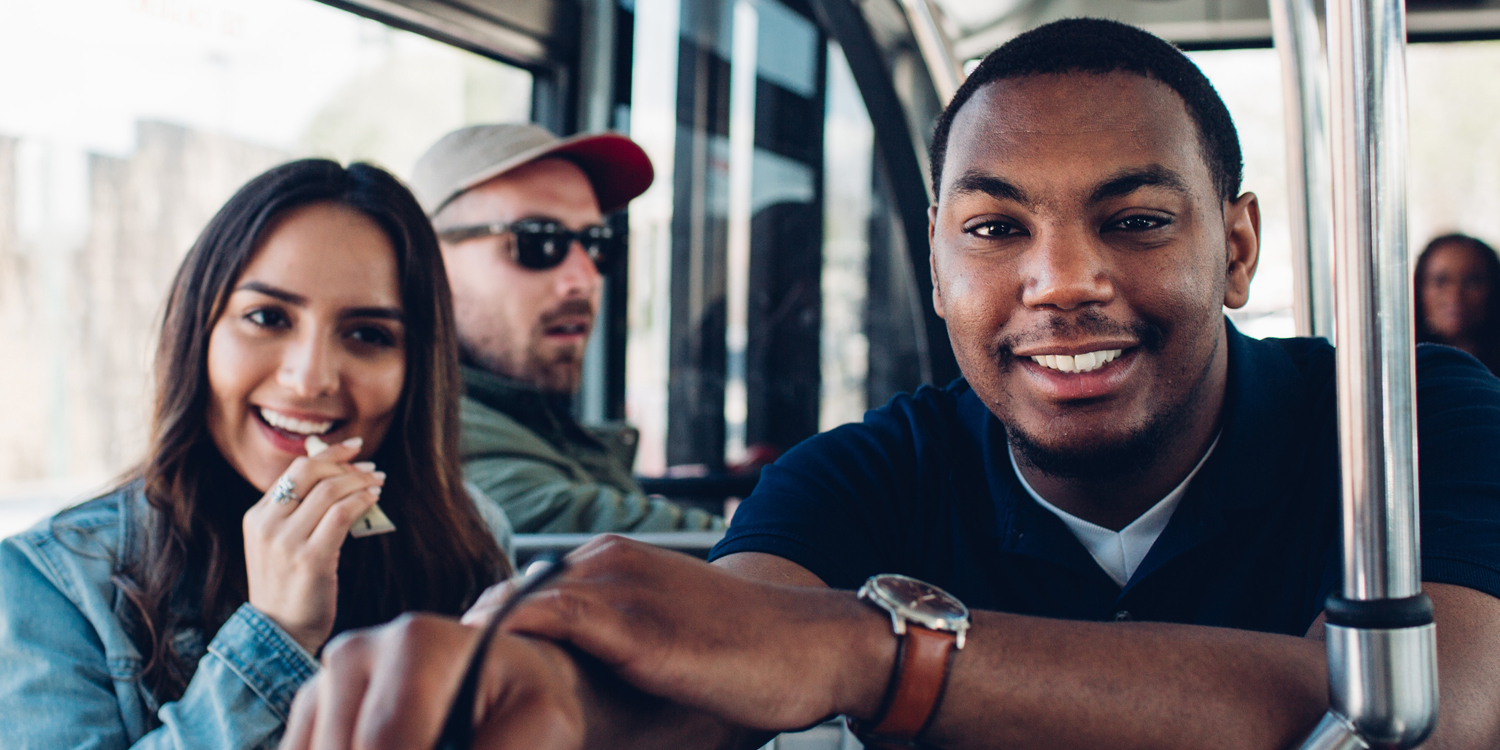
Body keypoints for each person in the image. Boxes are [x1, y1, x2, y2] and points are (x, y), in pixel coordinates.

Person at [280, 19, 1500, 750]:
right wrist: (521, 694)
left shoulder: (1401, 425)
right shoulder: (867, 475)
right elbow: (713, 655)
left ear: (1236, 249)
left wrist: (883, 653)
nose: (1061, 282)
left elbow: (1432, 708)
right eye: (993, 230)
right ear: (931, 261)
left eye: (1131, 219)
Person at [0, 159, 512, 749]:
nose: (308, 379)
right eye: (267, 318)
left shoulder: (468, 536)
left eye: (368, 334)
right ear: (199, 334)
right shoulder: (56, 582)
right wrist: (274, 636)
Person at [408, 124, 723, 533]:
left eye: (597, 243)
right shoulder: (441, 444)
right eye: (539, 241)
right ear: (429, 263)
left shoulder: (529, 426)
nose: (585, 277)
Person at [1415, 233, 1500, 373]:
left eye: (1472, 281)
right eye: (1440, 281)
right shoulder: (1406, 369)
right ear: (1419, 289)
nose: (1455, 296)